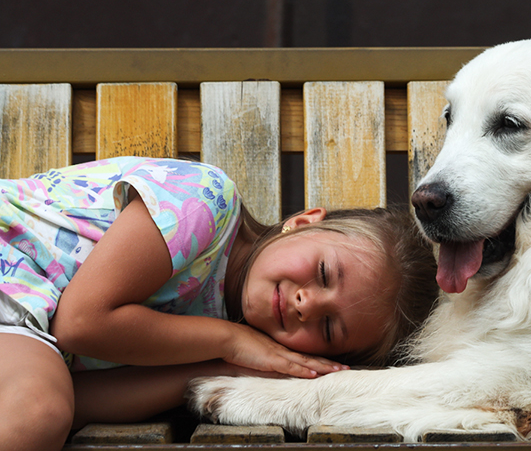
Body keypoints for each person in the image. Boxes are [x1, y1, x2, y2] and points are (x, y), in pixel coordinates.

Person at [0, 156, 438, 451]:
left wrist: (231, 371)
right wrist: (228, 341)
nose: (308, 303)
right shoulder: (205, 202)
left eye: (327, 327)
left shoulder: (211, 338)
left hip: (20, 325)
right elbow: (80, 324)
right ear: (303, 222)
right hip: (12, 265)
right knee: (37, 413)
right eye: (324, 273)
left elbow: (80, 399)